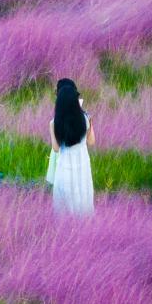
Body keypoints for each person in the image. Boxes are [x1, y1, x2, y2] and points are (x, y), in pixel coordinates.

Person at [50, 84, 95, 215]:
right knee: (83, 198)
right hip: (82, 165)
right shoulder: (85, 119)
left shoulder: (54, 123)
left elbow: (56, 148)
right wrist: (91, 124)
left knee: (64, 203)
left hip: (64, 167)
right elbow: (91, 142)